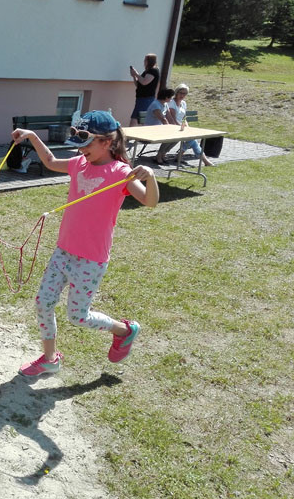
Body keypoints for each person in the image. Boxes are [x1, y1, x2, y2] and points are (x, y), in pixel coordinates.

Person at [11, 110, 159, 376]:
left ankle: (124, 330)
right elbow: (50, 161)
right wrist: (32, 136)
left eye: (87, 143)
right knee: (43, 303)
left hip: (91, 259)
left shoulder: (121, 172)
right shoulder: (79, 163)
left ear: (107, 142)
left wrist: (150, 176)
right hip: (63, 251)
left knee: (78, 316)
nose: (81, 150)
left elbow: (150, 201)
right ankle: (50, 359)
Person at [164, 83, 214, 167]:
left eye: (185, 93)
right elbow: (172, 119)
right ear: (176, 92)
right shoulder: (172, 103)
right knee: (192, 140)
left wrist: (187, 127)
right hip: (173, 127)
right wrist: (182, 128)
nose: (182, 95)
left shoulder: (183, 103)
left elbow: (184, 118)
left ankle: (180, 156)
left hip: (182, 127)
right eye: (181, 93)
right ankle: (204, 160)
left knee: (192, 140)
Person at [128, 53, 160, 127]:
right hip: (141, 99)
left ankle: (131, 133)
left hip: (146, 99)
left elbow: (144, 82)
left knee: (139, 119)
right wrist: (134, 76)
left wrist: (136, 74)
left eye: (145, 60)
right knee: (136, 118)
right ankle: (130, 132)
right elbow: (138, 84)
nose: (144, 62)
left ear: (149, 61)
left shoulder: (153, 71)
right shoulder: (146, 71)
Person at [146, 88, 174, 164]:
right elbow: (163, 119)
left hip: (159, 129)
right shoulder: (155, 105)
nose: (171, 99)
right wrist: (170, 129)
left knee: (177, 137)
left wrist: (175, 127)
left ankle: (163, 153)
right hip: (150, 130)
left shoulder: (165, 104)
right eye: (171, 97)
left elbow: (169, 117)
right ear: (166, 97)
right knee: (170, 136)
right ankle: (159, 156)